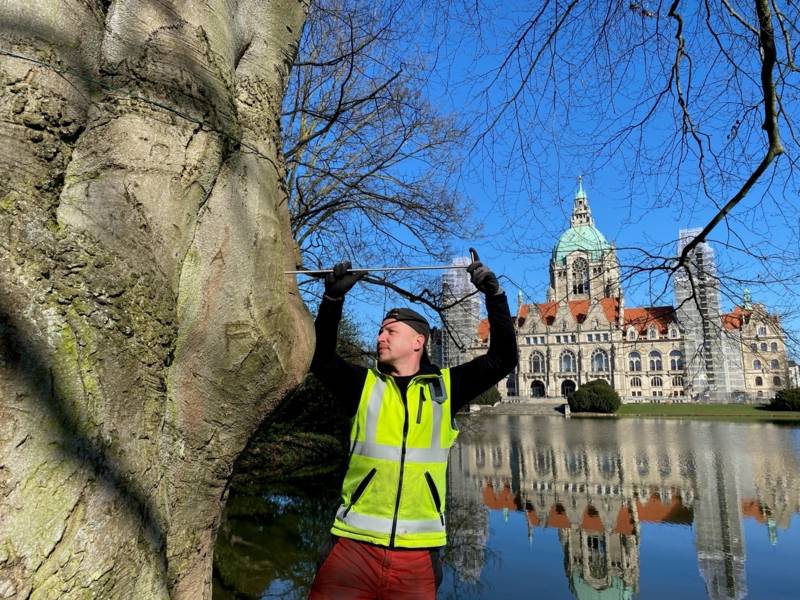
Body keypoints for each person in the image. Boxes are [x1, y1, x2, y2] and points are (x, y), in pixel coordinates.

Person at [308, 254, 517, 599]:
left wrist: (494, 297)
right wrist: (332, 300)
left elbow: (502, 359)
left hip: (418, 553)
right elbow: (322, 360)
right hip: (352, 548)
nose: (380, 338)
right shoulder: (365, 386)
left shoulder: (447, 388)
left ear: (418, 341)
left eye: (390, 331)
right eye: (379, 331)